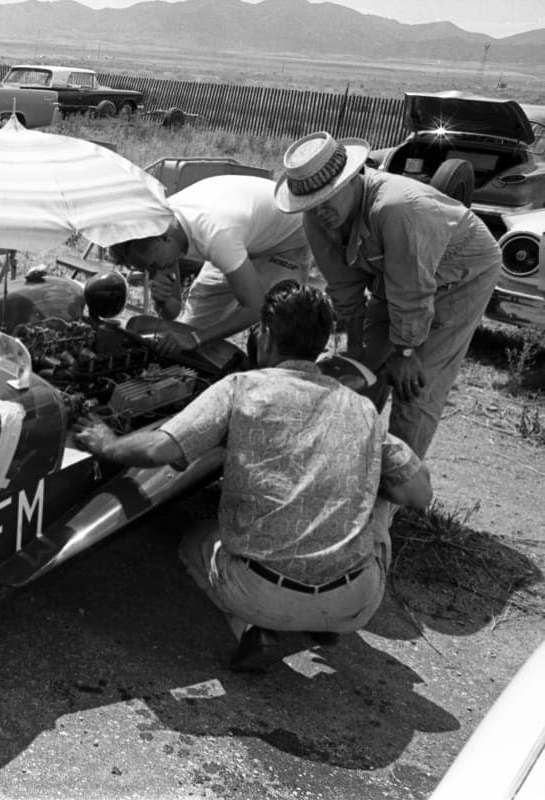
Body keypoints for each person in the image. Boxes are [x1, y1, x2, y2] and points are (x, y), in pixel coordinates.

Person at [72, 281, 433, 672]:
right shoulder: (362, 408)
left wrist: (107, 444)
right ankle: (325, 622)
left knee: (194, 539)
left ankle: (254, 628)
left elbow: (161, 450)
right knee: (385, 495)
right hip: (357, 600)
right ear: (322, 344)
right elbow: (419, 493)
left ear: (264, 336)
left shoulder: (241, 388)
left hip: (261, 594)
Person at [274, 131, 502, 458]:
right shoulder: (317, 220)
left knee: (416, 386)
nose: (320, 211)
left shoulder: (397, 207)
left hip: (462, 272)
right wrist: (356, 355)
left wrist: (406, 352)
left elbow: (413, 290)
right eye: (312, 204)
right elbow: (345, 291)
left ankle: (392, 493)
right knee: (359, 369)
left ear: (353, 180)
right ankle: (344, 463)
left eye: (328, 198)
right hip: (396, 276)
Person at [106, 174, 313, 354]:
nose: (154, 273)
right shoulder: (160, 227)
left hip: (286, 242)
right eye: (147, 270)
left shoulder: (216, 234)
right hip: (241, 235)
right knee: (190, 331)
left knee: (276, 333)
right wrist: (162, 301)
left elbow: (256, 307)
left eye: (153, 266)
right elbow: (173, 312)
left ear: (164, 238)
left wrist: (196, 339)